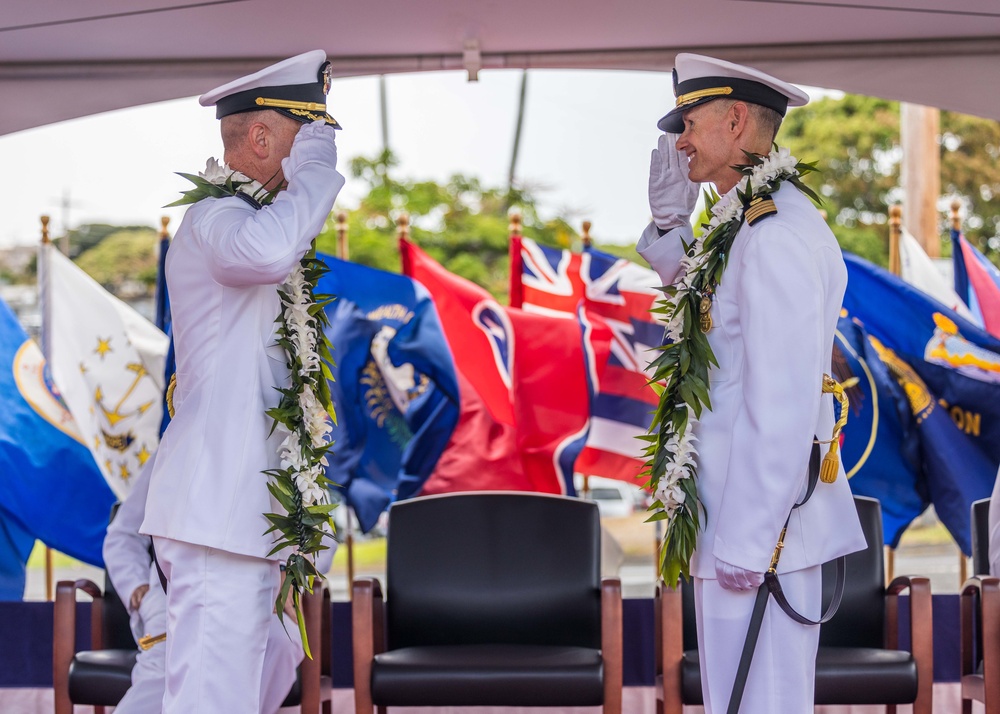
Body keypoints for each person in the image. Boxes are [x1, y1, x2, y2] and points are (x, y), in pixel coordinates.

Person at [638, 53, 867, 713]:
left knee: (759, 703)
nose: (679, 139)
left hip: (761, 533)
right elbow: (711, 315)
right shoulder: (746, 224)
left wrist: (749, 537)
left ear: (736, 120)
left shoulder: (773, 234)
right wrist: (667, 229)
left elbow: (783, 399)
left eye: (689, 121)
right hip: (743, 526)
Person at [139, 50, 344, 713]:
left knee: (230, 698)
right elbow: (268, 250)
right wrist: (316, 172)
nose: (317, 149)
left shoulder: (249, 223)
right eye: (305, 134)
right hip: (214, 512)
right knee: (209, 700)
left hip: (239, 513)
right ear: (260, 139)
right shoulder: (217, 220)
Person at [106, 455, 334, 713]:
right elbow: (122, 535)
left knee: (280, 642)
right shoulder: (172, 450)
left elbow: (321, 536)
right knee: (173, 660)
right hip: (174, 589)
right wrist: (135, 585)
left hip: (263, 590)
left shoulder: (287, 446)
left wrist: (290, 571)